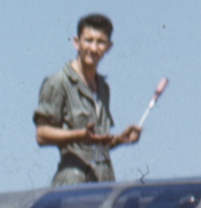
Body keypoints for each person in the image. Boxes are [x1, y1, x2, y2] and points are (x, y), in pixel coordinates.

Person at [37, 13, 142, 186]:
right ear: (76, 42)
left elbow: (96, 142)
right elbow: (41, 134)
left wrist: (119, 140)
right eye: (88, 40)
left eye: (100, 42)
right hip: (73, 181)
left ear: (109, 46)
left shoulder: (103, 88)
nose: (93, 48)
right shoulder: (58, 82)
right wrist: (79, 135)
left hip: (103, 181)